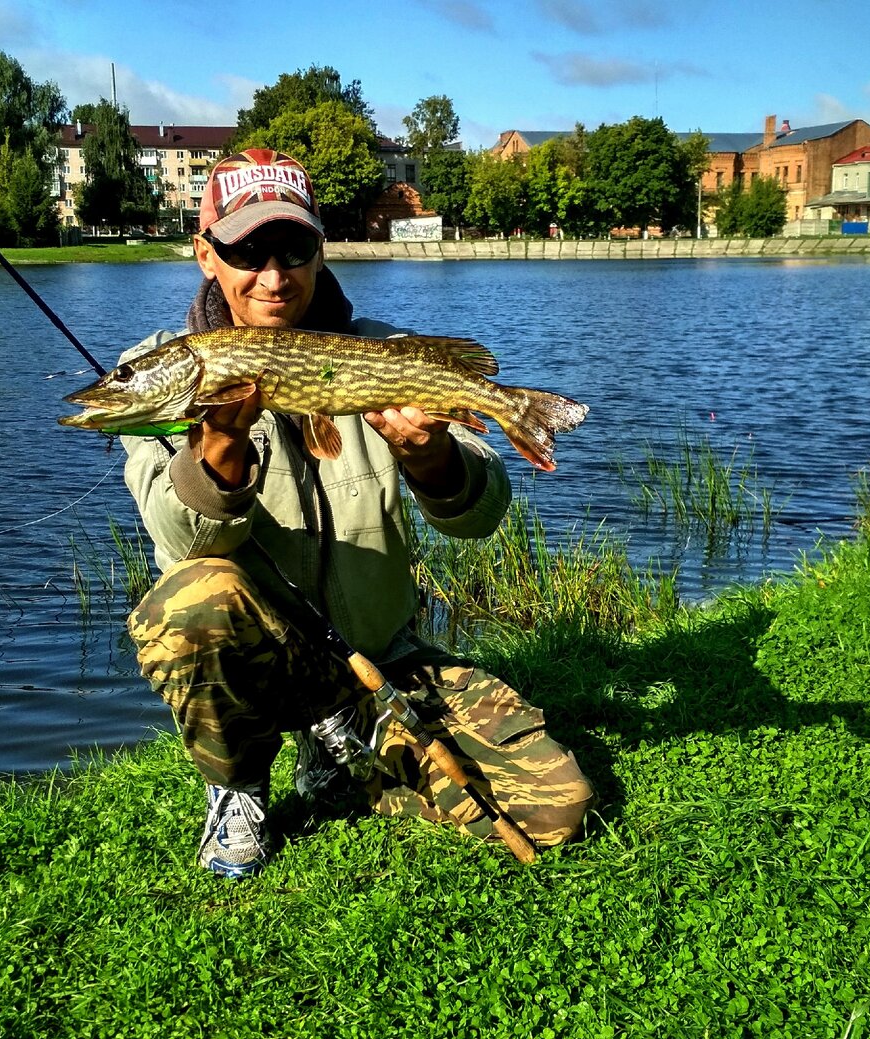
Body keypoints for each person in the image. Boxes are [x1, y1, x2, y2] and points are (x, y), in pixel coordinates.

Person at [121, 148, 594, 877]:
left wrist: (430, 458)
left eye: (294, 247)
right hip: (260, 664)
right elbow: (180, 540)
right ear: (205, 254)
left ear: (320, 248)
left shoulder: (383, 350)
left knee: (558, 806)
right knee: (192, 600)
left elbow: (482, 514)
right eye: (247, 250)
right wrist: (218, 445)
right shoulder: (166, 368)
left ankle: (343, 754)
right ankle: (238, 786)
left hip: (377, 661)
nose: (273, 276)